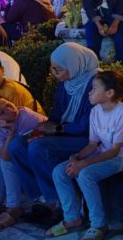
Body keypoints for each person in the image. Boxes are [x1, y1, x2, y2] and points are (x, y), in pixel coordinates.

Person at [7, 43, 99, 221]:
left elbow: (89, 124)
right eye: (53, 68)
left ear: (74, 64)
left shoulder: (96, 84)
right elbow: (57, 113)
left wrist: (57, 129)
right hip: (65, 134)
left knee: (38, 148)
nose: (54, 74)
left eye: (58, 69)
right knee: (17, 144)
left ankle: (57, 201)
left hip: (87, 140)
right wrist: (44, 127)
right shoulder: (67, 83)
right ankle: (42, 196)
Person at [46, 70, 123, 240]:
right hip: (101, 152)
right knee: (59, 171)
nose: (89, 92)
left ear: (109, 93)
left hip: (122, 157)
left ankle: (98, 224)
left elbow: (115, 151)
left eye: (94, 88)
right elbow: (93, 143)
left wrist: (84, 163)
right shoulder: (95, 111)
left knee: (86, 174)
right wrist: (78, 156)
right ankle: (72, 218)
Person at [0, 52, 41, 215]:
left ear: (3, 70)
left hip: (26, 137)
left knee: (0, 160)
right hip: (8, 135)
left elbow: (13, 123)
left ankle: (10, 205)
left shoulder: (10, 92)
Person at [0, 97, 46, 229]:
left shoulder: (25, 116)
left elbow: (44, 133)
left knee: (6, 162)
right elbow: (3, 155)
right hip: (20, 155)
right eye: (2, 113)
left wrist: (11, 136)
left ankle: (13, 206)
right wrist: (10, 133)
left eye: (8, 104)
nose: (10, 110)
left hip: (35, 155)